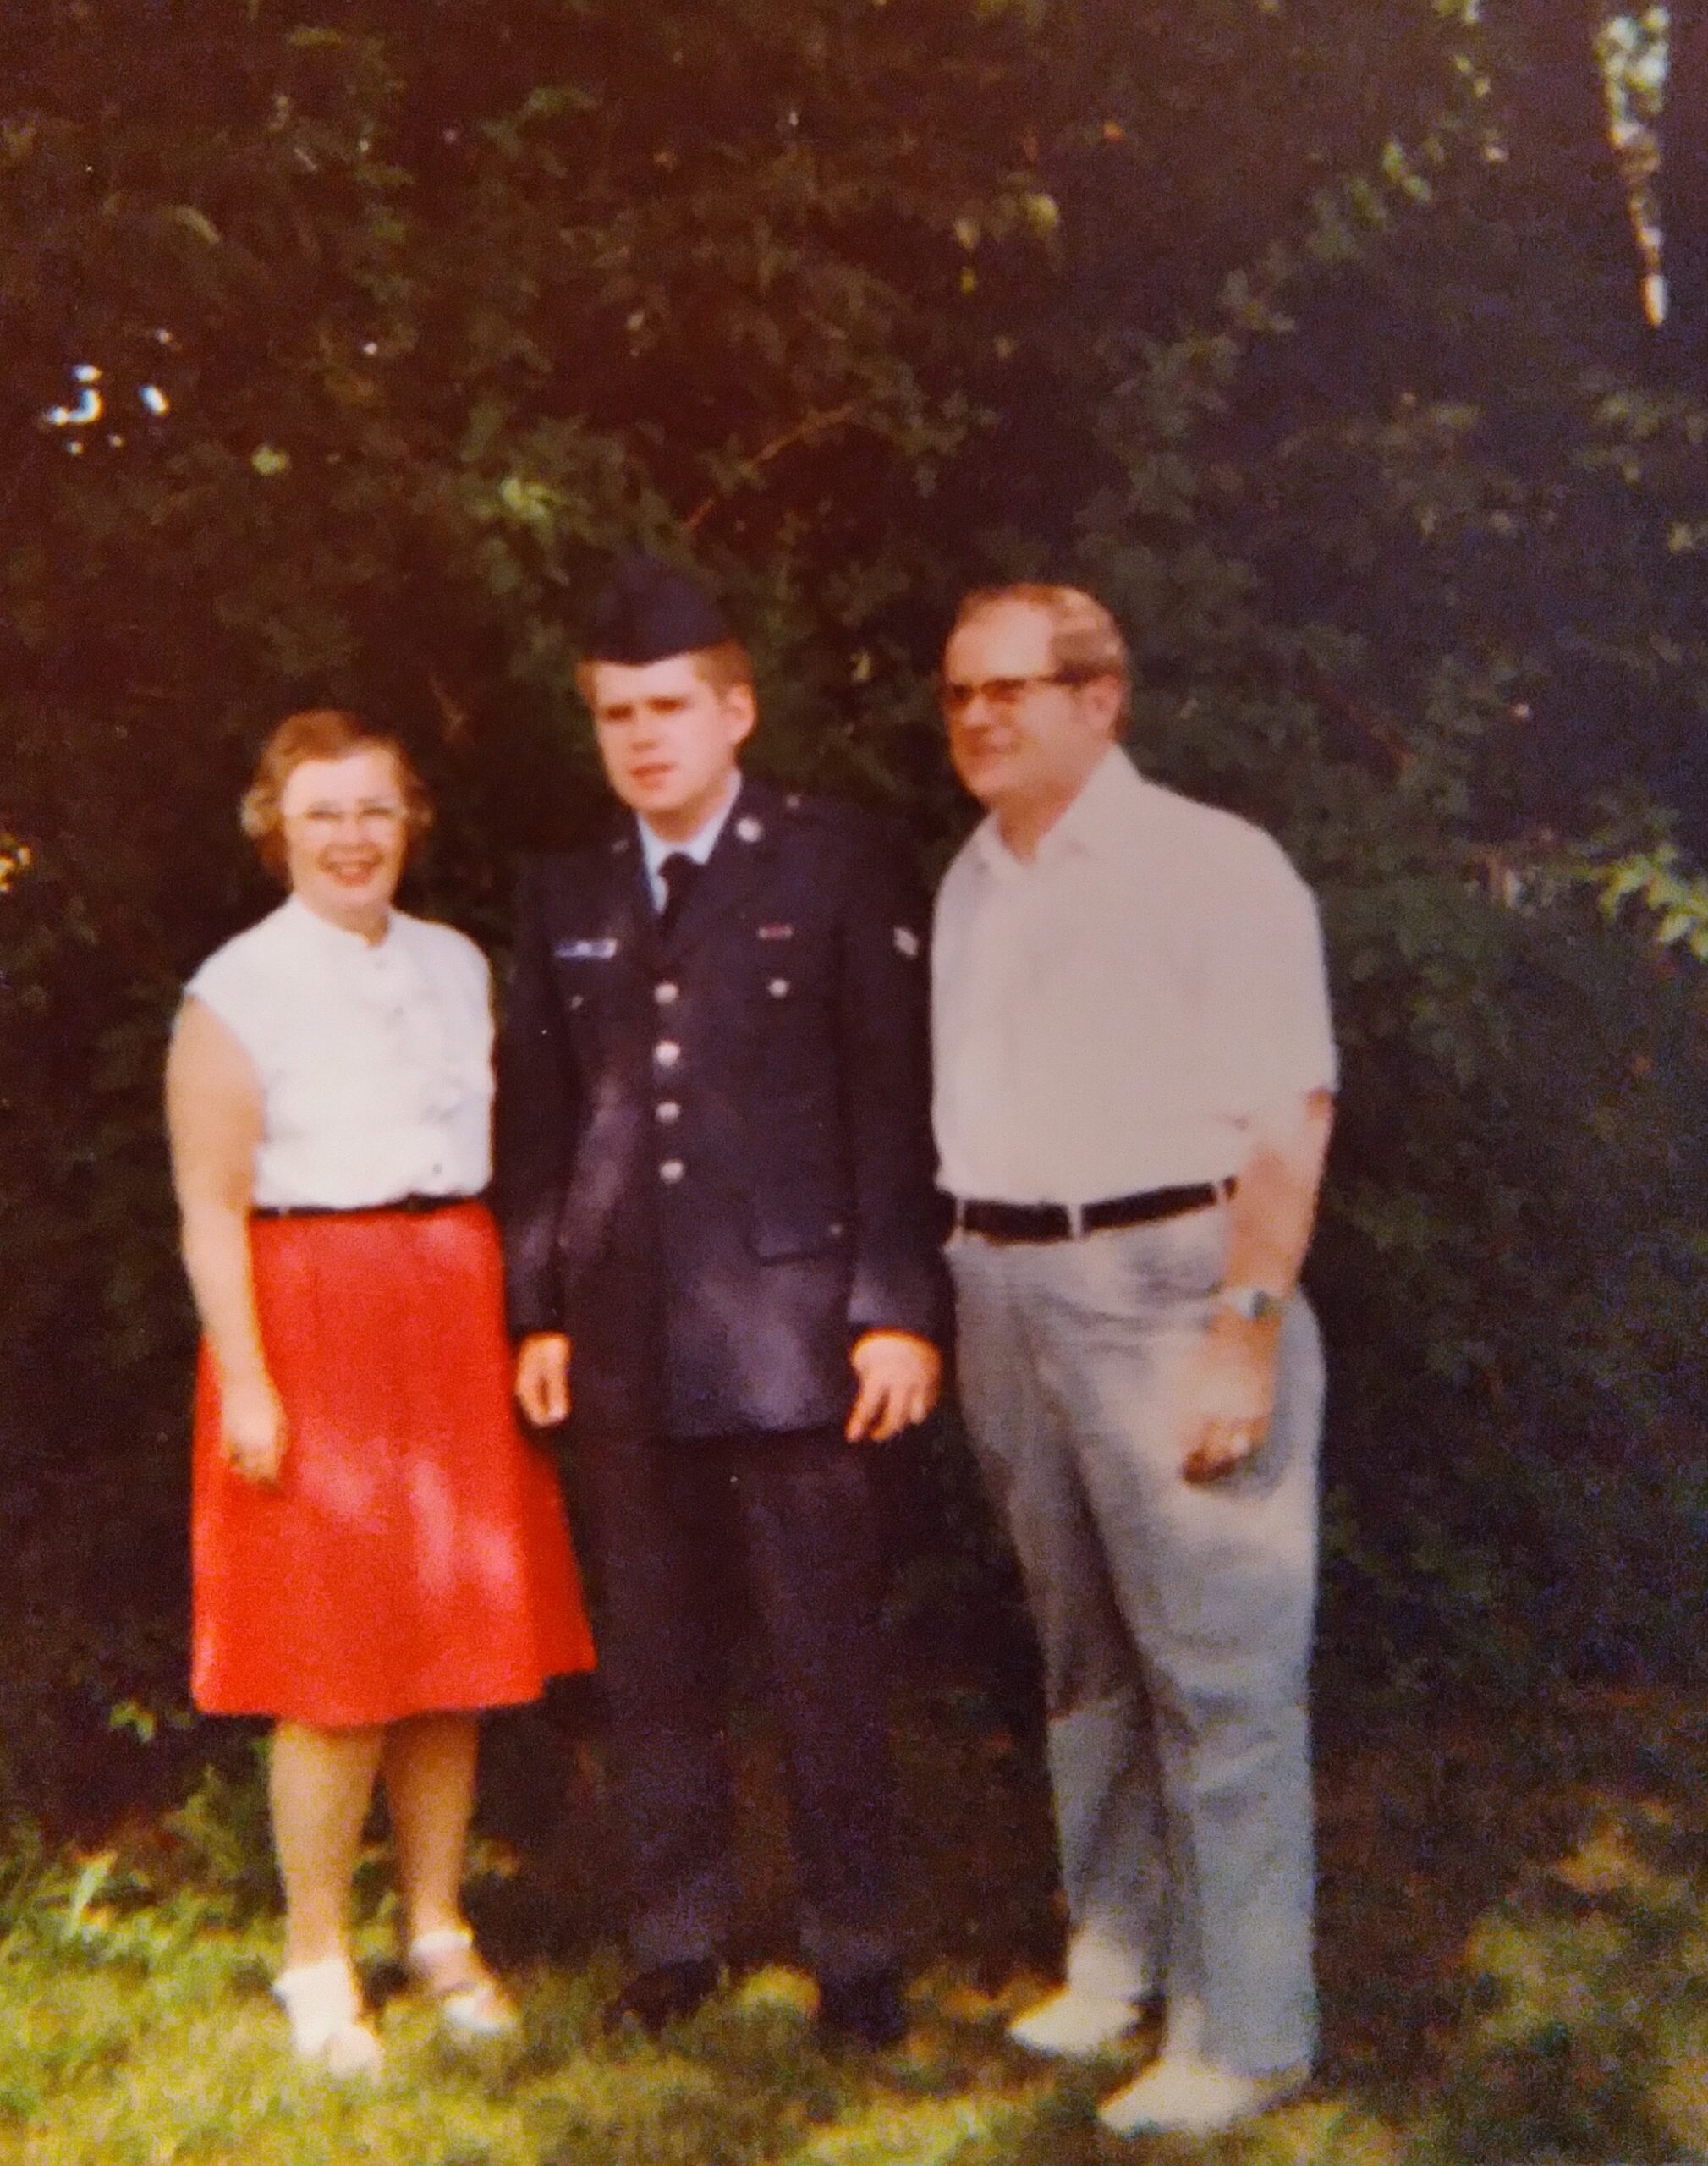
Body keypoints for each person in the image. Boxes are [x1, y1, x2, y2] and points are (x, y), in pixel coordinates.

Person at [496, 557, 944, 2048]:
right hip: (623, 1336)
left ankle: (856, 1949)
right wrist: (537, 1308)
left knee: (824, 1656)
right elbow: (541, 1118)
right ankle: (676, 1938)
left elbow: (890, 1096)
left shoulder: (835, 861)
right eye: (616, 715)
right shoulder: (564, 892)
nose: (643, 738)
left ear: (736, 712)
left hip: (795, 1335)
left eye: (670, 708)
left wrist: (896, 1304)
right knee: (656, 1659)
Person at [931, 585, 1336, 2141]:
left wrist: (1245, 1331)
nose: (978, 716)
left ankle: (1249, 2032)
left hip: (1176, 1289)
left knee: (1220, 1669)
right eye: (959, 693)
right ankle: (1117, 1962)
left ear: (1101, 700)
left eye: (1011, 688)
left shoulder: (1214, 866)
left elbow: (1288, 1116)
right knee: (1081, 1650)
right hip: (1003, 1288)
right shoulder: (971, 881)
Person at [167, 710, 596, 2077]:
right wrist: (248, 1382)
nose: (351, 838)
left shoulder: (457, 964)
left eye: (374, 811)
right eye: (322, 814)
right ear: (275, 831)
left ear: (409, 822)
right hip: (310, 1317)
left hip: (452, 1303)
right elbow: (209, 1209)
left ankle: (436, 1928)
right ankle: (314, 1955)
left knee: (452, 1651)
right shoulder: (234, 990)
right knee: (332, 1666)